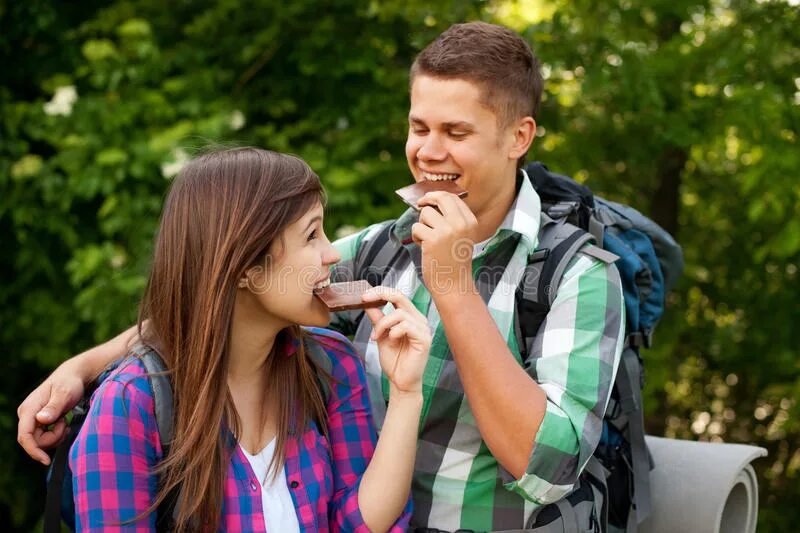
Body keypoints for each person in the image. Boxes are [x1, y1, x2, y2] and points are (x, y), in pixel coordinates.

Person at [19, 22, 625, 532]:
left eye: (456, 132)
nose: (428, 153)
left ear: (518, 137)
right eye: (420, 127)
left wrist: (453, 286)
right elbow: (225, 291)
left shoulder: (577, 274)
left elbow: (544, 469)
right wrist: (85, 367)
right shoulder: (380, 246)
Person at [57, 147, 431, 532]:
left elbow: (358, 526)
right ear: (245, 269)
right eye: (311, 235)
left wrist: (406, 394)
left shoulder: (332, 366)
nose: (332, 253)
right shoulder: (129, 404)